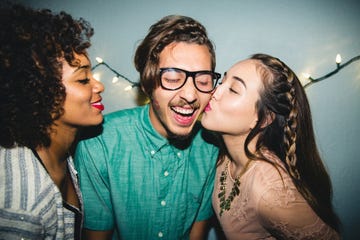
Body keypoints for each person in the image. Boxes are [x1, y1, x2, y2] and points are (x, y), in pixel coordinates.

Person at [74, 15, 221, 239]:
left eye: (203, 81)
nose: (191, 95)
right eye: (172, 78)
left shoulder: (211, 148)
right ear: (147, 83)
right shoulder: (100, 142)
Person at [201, 53, 341, 239]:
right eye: (223, 81)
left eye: (233, 90)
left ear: (264, 118)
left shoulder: (270, 192)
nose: (215, 92)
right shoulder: (224, 154)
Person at [0, 3, 104, 240]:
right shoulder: (21, 203)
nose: (99, 86)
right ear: (41, 91)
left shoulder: (59, 153)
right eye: (83, 79)